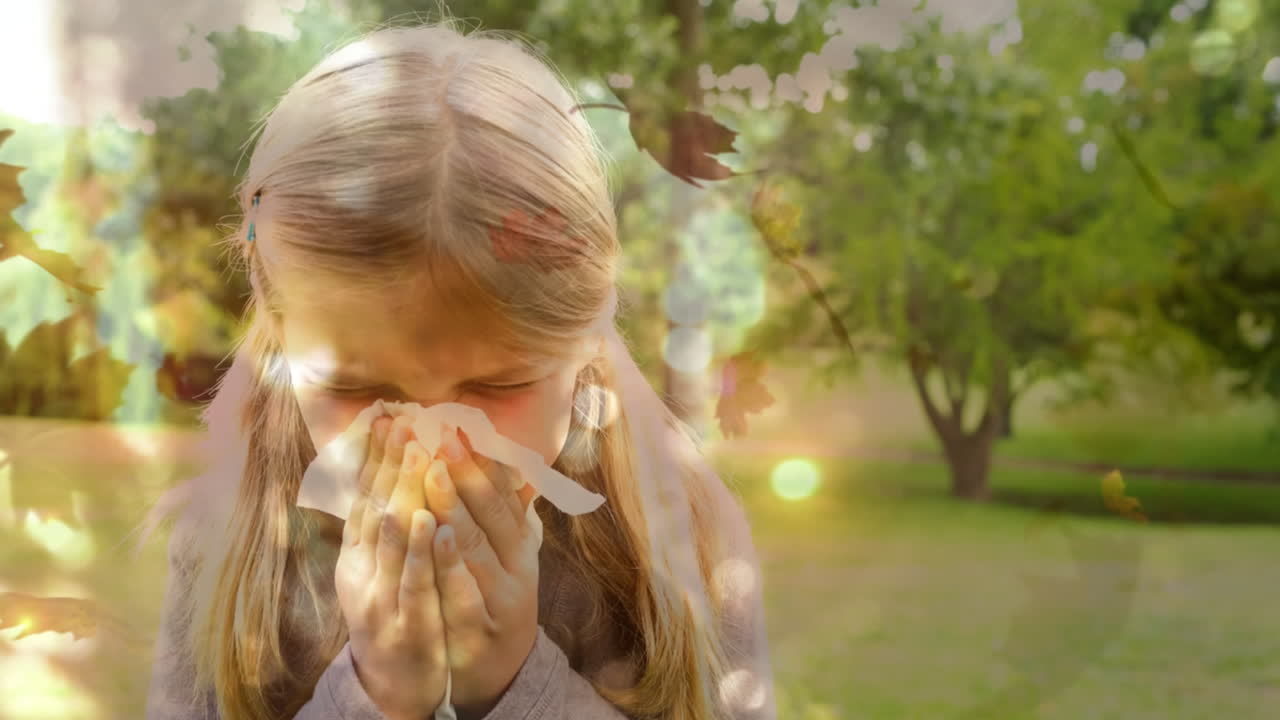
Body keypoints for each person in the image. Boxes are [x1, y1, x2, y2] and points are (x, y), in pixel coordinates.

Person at [136, 15, 775, 720]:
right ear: (282, 345)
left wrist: (512, 685)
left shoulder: (681, 533)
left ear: (585, 344)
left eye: (499, 386)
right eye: (357, 388)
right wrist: (376, 694)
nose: (434, 438)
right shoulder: (227, 536)